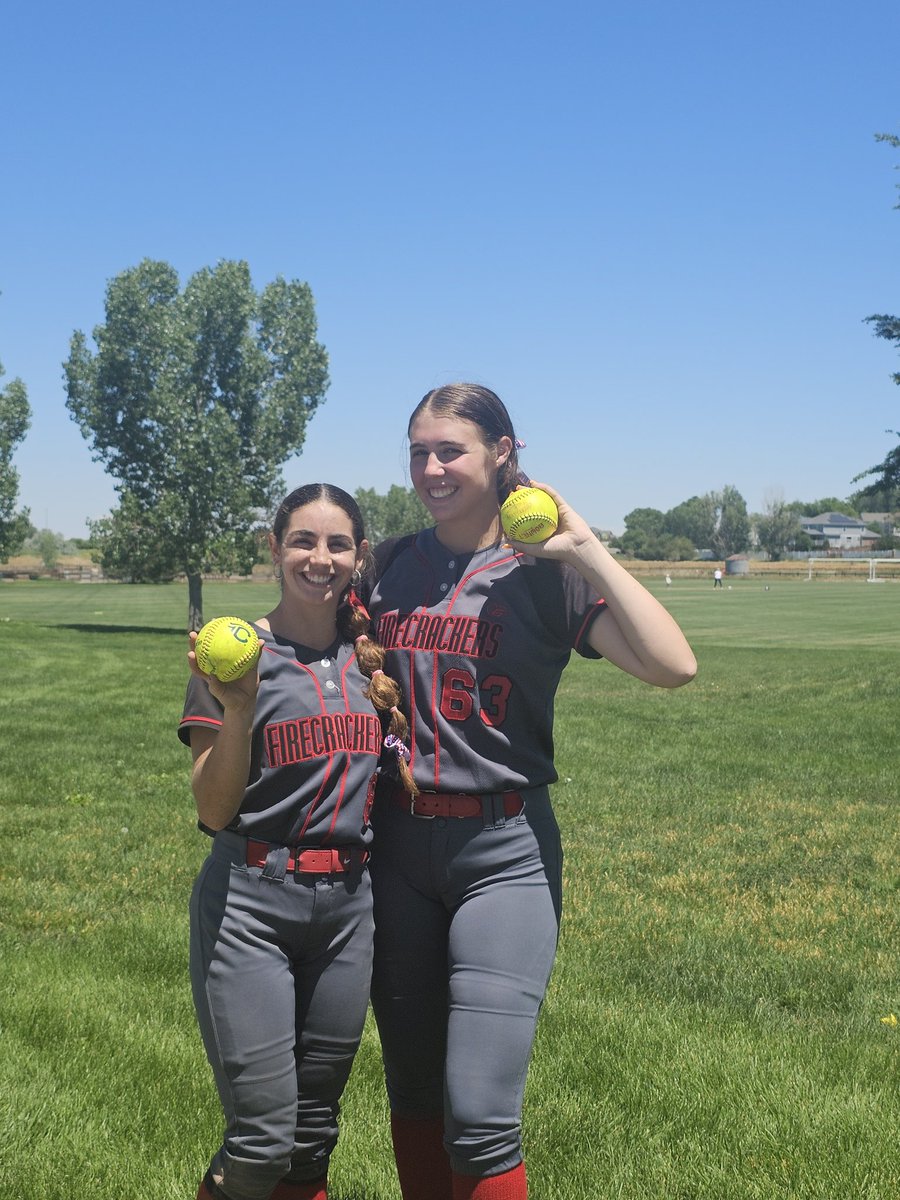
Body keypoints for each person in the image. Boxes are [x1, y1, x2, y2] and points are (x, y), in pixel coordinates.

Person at [363, 384, 697, 1200]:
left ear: (503, 452)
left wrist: (585, 548)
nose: (431, 469)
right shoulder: (387, 566)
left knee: (479, 1113)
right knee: (413, 1093)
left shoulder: (544, 571)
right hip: (395, 848)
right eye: (419, 452)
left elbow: (673, 665)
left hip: (502, 853)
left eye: (451, 451)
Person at [179, 484, 415, 1200]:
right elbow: (214, 809)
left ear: (359, 555)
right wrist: (240, 705)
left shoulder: (372, 662)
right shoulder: (235, 658)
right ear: (274, 548)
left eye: (337, 544)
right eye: (302, 541)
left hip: (346, 911)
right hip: (251, 902)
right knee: (261, 1143)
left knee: (312, 1138)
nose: (320, 558)